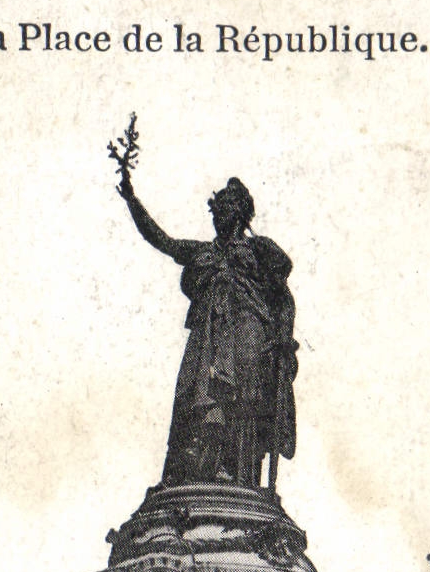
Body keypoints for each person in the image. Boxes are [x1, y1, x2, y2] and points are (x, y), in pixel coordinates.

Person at [118, 168, 297, 488]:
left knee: (242, 402)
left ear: (240, 212)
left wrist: (284, 339)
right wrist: (132, 200)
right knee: (193, 392)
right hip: (208, 333)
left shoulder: (259, 249)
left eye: (225, 208)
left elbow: (283, 297)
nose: (218, 216)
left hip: (247, 331)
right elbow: (163, 241)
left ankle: (237, 474)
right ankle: (192, 470)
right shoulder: (203, 251)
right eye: (216, 210)